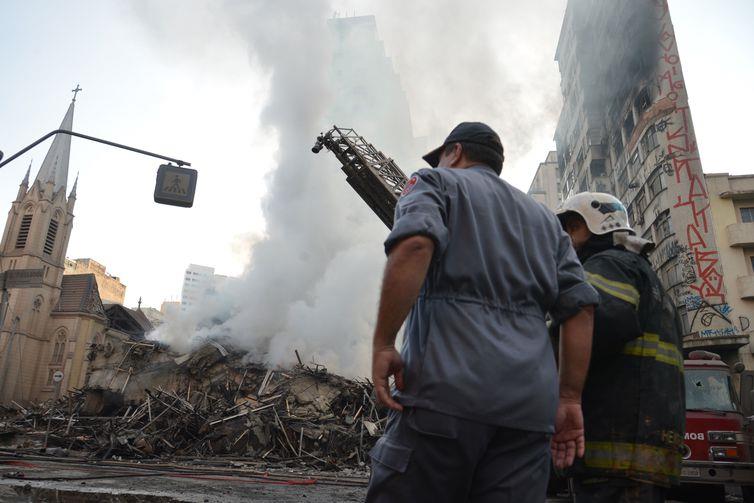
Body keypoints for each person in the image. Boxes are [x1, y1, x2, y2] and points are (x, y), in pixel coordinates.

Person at [365, 122, 600, 503]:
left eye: (442, 157)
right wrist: (570, 398)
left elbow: (413, 248)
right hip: (528, 414)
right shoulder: (545, 222)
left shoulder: (434, 182)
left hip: (443, 393)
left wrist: (383, 343)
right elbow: (581, 309)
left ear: (454, 152)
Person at [554, 192, 685, 503]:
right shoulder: (644, 273)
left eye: (568, 231)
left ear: (581, 226)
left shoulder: (606, 266)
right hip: (640, 451)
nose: (564, 243)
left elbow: (591, 324)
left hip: (614, 451)